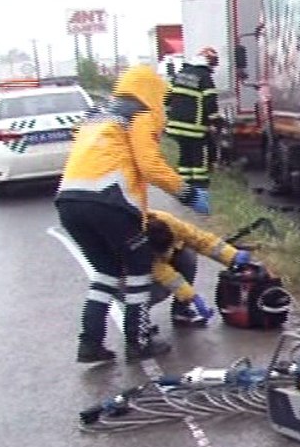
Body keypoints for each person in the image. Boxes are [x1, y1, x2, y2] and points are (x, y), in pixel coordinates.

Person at [56, 64, 211, 364]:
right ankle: (138, 343)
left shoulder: (96, 116)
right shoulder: (138, 117)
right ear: (151, 90)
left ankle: (90, 344)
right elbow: (150, 166)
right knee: (140, 267)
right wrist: (188, 194)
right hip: (108, 203)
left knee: (105, 272)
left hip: (69, 203)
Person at [146, 209, 253, 327]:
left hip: (155, 256)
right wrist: (191, 296)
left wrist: (232, 255)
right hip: (128, 275)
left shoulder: (167, 221)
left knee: (187, 256)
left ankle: (181, 312)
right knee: (154, 290)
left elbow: (200, 239)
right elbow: (165, 275)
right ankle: (137, 320)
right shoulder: (135, 239)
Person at [165, 46, 221, 188]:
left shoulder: (181, 74)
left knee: (185, 156)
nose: (213, 67)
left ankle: (184, 184)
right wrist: (215, 120)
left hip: (176, 126)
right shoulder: (204, 76)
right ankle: (199, 185)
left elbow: (166, 98)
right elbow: (210, 101)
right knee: (198, 158)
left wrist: (168, 116)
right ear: (208, 62)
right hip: (194, 127)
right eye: (213, 63)